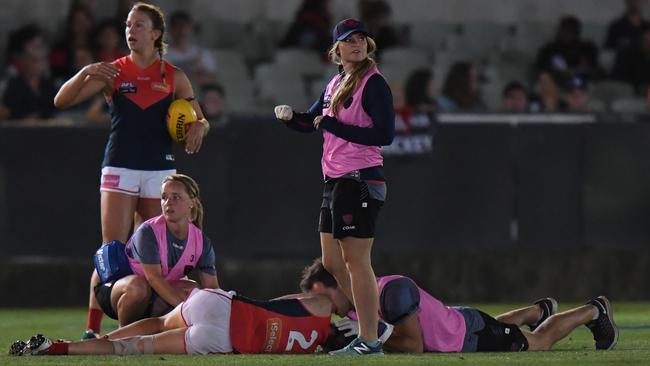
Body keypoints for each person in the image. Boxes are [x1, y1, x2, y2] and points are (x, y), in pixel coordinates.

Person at [53, 2, 211, 339]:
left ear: (155, 34)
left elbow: (199, 118)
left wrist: (200, 127)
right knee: (111, 249)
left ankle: (147, 324)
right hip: (120, 167)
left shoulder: (174, 76)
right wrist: (86, 73)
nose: (130, 31)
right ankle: (92, 330)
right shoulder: (113, 71)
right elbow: (60, 102)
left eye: (138, 25)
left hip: (158, 171)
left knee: (154, 252)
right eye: (128, 25)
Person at [273, 18, 395, 355]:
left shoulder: (373, 84)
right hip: (336, 179)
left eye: (361, 39)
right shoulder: (336, 83)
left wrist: (332, 125)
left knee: (357, 260)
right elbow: (312, 122)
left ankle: (369, 339)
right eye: (349, 40)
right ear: (337, 49)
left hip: (359, 177)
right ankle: (375, 325)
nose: (357, 44)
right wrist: (290, 119)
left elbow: (384, 135)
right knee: (331, 260)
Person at [301, 258, 619, 354]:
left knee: (537, 343)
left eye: (326, 299)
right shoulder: (357, 310)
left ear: (342, 282)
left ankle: (594, 310)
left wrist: (365, 339)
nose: (330, 309)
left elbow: (412, 346)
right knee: (498, 327)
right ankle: (537, 311)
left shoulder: (390, 292)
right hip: (460, 324)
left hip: (468, 334)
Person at [9, 289, 332, 356]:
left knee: (156, 323)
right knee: (132, 349)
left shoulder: (322, 303)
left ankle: (69, 344)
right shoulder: (317, 344)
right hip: (224, 341)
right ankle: (56, 349)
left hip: (224, 309)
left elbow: (275, 305)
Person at [94, 174, 219, 328]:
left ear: (192, 202)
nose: (168, 203)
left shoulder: (202, 242)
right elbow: (154, 278)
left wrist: (221, 315)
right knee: (139, 286)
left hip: (154, 294)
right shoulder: (148, 231)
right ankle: (123, 336)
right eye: (164, 197)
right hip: (119, 290)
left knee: (193, 290)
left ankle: (153, 331)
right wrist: (186, 309)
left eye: (176, 197)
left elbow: (212, 289)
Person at [2, 24, 56, 120]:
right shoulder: (14, 84)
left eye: (40, 47)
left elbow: (53, 110)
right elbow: (10, 112)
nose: (40, 53)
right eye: (35, 47)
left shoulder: (47, 84)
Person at [535, 15, 603, 81]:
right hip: (556, 81)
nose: (567, 34)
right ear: (560, 31)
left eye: (571, 31)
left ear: (576, 33)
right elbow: (542, 68)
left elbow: (594, 68)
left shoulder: (586, 48)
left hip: (583, 82)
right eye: (565, 30)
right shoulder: (550, 49)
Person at [165, 11, 218, 86]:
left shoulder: (203, 53)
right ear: (171, 29)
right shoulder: (162, 55)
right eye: (178, 26)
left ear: (191, 29)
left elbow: (212, 77)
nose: (182, 31)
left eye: (186, 26)